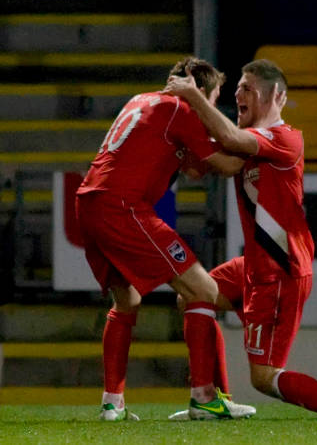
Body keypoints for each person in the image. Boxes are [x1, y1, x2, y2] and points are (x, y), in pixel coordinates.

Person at [163, 59, 317, 421]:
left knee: (263, 377)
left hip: (280, 272)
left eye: (248, 88)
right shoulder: (247, 144)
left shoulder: (285, 139)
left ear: (276, 95)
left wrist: (194, 97)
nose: (239, 94)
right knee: (193, 295)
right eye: (237, 88)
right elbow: (201, 163)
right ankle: (214, 401)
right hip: (255, 265)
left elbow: (229, 138)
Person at [75, 56, 255, 421]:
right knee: (203, 289)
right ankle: (204, 398)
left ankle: (112, 404)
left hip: (87, 202)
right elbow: (224, 165)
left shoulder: (142, 100)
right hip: (122, 206)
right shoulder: (181, 109)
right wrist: (262, 149)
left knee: (126, 301)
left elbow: (190, 167)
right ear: (197, 91)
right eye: (212, 98)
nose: (210, 108)